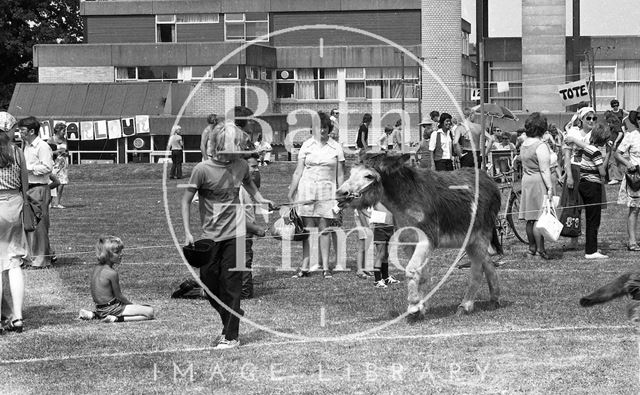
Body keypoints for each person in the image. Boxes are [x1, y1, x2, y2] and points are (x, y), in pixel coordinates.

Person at [181, 121, 274, 350]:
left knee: (232, 286)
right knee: (210, 287)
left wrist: (261, 200)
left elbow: (249, 184)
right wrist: (187, 232)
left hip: (237, 235)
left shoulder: (241, 165)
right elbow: (185, 201)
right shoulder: (202, 170)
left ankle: (231, 336)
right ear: (224, 145)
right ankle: (233, 314)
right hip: (210, 237)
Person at [288, 111, 345, 278]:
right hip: (307, 191)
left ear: (330, 128)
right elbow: (298, 171)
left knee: (324, 229)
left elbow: (340, 174)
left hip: (327, 192)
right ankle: (305, 266)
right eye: (319, 128)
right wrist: (292, 192)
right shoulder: (306, 145)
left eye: (325, 128)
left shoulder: (336, 147)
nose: (322, 131)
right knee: (306, 230)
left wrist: (341, 194)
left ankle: (326, 267)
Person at [78, 236, 155, 322]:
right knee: (150, 311)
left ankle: (94, 315)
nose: (121, 254)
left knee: (143, 307)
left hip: (100, 308)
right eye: (117, 252)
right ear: (107, 254)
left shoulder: (97, 268)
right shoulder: (112, 273)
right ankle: (116, 318)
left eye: (121, 251)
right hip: (113, 308)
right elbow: (119, 296)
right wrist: (131, 305)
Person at [565, 123, 609, 259]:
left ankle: (592, 247)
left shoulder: (588, 148)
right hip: (592, 186)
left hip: (583, 184)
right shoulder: (595, 152)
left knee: (591, 218)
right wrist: (607, 155)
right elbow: (602, 171)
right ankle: (591, 251)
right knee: (594, 219)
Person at [0, 112, 26, 334]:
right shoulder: (17, 152)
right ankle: (17, 317)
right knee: (14, 263)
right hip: (14, 204)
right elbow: (25, 184)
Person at [518, 113, 557, 260]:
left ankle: (531, 249)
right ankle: (540, 250)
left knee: (530, 218)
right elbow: (544, 169)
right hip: (538, 181)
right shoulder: (541, 146)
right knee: (539, 218)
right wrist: (550, 187)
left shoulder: (524, 144)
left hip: (527, 180)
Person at [18, 116, 54, 269]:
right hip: (28, 187)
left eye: (23, 130)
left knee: (40, 224)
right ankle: (39, 255)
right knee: (30, 224)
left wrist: (29, 169)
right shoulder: (25, 146)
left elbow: (47, 167)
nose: (20, 133)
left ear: (32, 131)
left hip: (39, 187)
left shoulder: (42, 146)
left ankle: (42, 260)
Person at [562, 107, 597, 250]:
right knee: (574, 205)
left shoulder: (595, 133)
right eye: (588, 118)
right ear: (581, 120)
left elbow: (592, 149)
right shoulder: (573, 132)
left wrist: (575, 140)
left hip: (591, 172)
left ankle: (591, 240)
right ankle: (573, 239)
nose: (591, 121)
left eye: (594, 118)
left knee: (591, 209)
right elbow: (567, 157)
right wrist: (569, 175)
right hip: (575, 170)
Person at [239, 154, 267, 299]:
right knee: (244, 291)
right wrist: (256, 229)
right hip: (239, 237)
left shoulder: (249, 186)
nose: (257, 170)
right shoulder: (238, 189)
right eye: (253, 167)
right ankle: (201, 291)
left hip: (246, 235)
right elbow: (235, 218)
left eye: (258, 166)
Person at [615, 111, 640, 250]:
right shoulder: (631, 136)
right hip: (636, 178)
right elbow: (617, 153)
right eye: (639, 118)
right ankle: (632, 241)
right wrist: (627, 163)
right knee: (635, 209)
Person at [50, 123, 69, 209]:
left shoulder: (65, 140)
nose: (64, 132)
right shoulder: (51, 140)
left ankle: (57, 203)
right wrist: (55, 152)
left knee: (61, 184)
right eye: (63, 130)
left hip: (63, 163)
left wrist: (66, 153)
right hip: (53, 163)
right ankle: (49, 202)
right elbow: (47, 152)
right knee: (52, 183)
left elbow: (67, 151)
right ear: (58, 130)